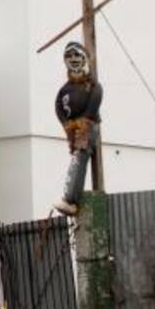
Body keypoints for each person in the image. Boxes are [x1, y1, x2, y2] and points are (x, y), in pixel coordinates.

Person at [53, 41, 103, 216]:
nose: (73, 59)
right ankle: (71, 199)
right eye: (69, 56)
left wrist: (84, 121)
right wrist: (67, 124)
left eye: (77, 55)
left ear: (84, 59)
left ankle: (70, 199)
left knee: (80, 156)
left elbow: (95, 100)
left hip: (87, 126)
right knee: (77, 157)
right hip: (73, 129)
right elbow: (58, 108)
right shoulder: (64, 90)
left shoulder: (92, 85)